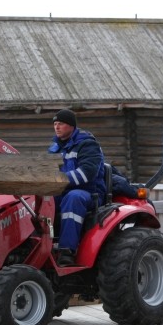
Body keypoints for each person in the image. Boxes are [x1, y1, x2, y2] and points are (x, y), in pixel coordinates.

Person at [47, 109, 106, 266]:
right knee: (40, 200)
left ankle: (67, 251)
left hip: (89, 193)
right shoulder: (54, 148)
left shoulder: (87, 145)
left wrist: (59, 180)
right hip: (61, 190)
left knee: (73, 198)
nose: (57, 127)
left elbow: (87, 174)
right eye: (55, 124)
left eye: (61, 124)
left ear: (71, 126)